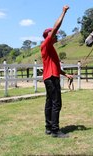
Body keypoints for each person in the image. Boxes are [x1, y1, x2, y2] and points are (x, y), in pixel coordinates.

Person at [41, 5, 72, 138]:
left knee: (49, 102)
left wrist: (66, 74)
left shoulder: (51, 49)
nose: (56, 35)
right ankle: (55, 130)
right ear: (48, 35)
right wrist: (63, 12)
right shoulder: (46, 44)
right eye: (53, 34)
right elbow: (55, 28)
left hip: (50, 76)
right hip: (51, 78)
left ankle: (48, 127)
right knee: (56, 103)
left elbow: (56, 67)